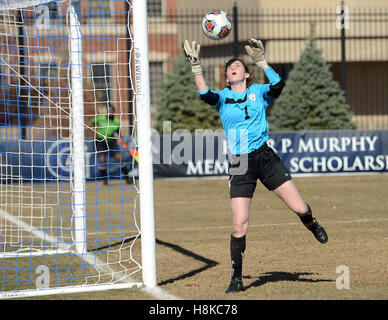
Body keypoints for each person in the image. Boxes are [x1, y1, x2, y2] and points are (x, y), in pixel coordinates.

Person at [182, 39, 328, 294]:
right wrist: (196, 67)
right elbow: (204, 94)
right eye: (230, 68)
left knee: (299, 207)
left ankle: (311, 222)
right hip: (239, 162)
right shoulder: (223, 98)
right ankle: (236, 279)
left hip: (264, 157)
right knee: (239, 224)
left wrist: (262, 62)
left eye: (238, 66)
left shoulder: (258, 91)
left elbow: (279, 85)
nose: (233, 68)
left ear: (246, 73)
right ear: (227, 77)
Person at [91, 103, 131, 185]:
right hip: (100, 141)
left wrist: (123, 141)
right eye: (108, 111)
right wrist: (94, 132)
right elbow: (91, 123)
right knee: (102, 160)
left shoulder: (116, 121)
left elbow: (118, 132)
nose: (109, 112)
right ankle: (105, 180)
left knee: (119, 158)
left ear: (113, 112)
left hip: (111, 142)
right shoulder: (99, 118)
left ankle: (127, 178)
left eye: (111, 111)